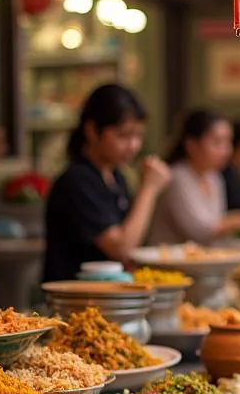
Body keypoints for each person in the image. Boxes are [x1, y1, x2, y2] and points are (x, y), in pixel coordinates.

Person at [43, 83, 171, 282]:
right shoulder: (77, 181)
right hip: (78, 302)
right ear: (92, 131)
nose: (133, 146)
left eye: (138, 136)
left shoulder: (115, 177)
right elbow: (121, 248)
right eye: (124, 135)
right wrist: (149, 188)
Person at [150, 109, 240, 245]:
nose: (226, 151)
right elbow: (202, 231)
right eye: (217, 142)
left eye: (228, 142)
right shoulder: (177, 177)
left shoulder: (214, 177)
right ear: (192, 145)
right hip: (168, 261)